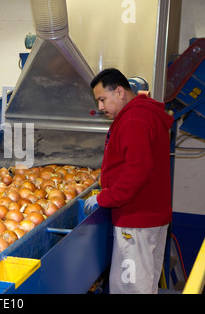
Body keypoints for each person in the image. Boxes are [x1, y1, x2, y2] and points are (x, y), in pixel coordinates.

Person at [85, 68, 174, 294]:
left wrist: (104, 198)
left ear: (120, 92)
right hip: (152, 215)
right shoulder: (145, 113)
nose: (101, 107)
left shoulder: (134, 118)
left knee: (129, 287)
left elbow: (137, 171)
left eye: (103, 99)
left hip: (136, 221)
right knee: (146, 284)